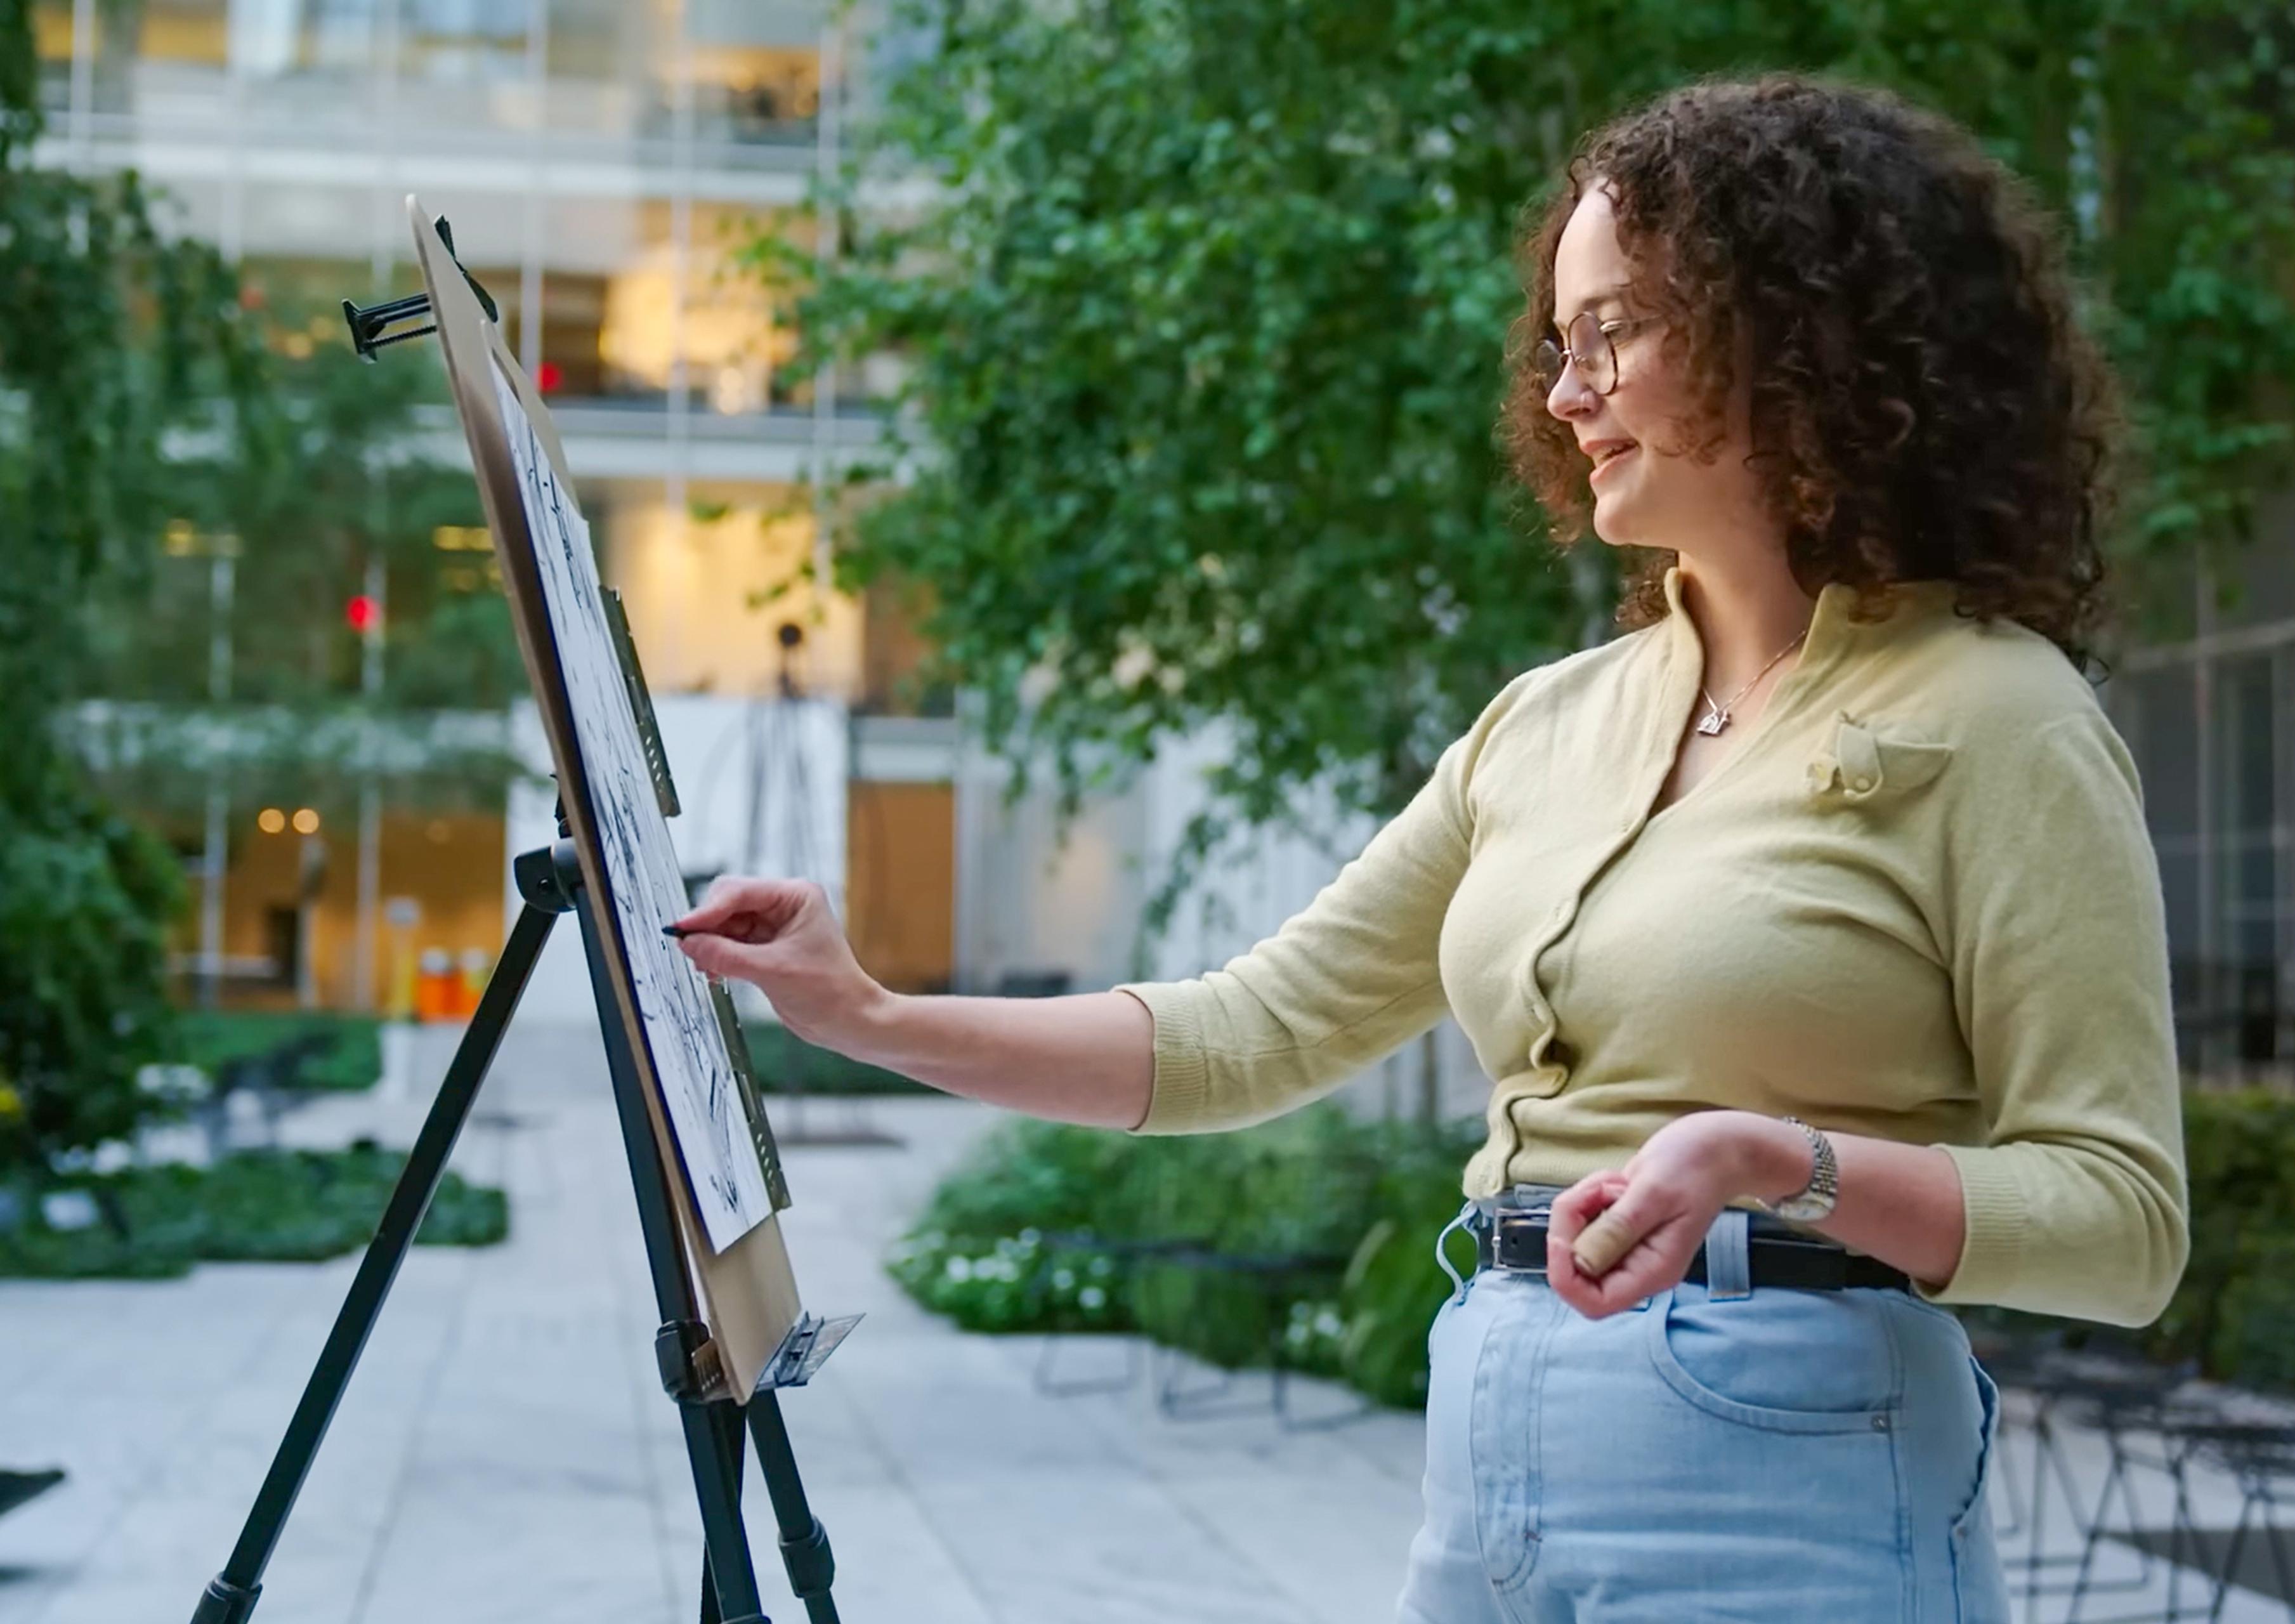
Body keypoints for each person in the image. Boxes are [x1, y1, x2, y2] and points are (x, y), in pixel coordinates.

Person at [673, 72, 2188, 1624]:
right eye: (1559, 342)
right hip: (1493, 1451)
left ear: (1795, 338)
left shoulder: (1999, 715)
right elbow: (1245, 1033)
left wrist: (1774, 1162)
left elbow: (2123, 1223)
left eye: (1617, 331)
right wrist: (868, 1013)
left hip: (1792, 1472)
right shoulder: (1547, 721)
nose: (1565, 392)